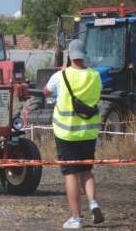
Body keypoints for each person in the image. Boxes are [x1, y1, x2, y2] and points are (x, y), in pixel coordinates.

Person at [43, 39, 104, 229]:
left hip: (67, 133)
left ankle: (76, 218)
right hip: (88, 133)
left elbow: (46, 92)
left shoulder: (61, 76)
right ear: (85, 55)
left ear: (69, 55)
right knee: (86, 170)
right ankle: (93, 202)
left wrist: (63, 69)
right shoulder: (95, 76)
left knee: (71, 174)